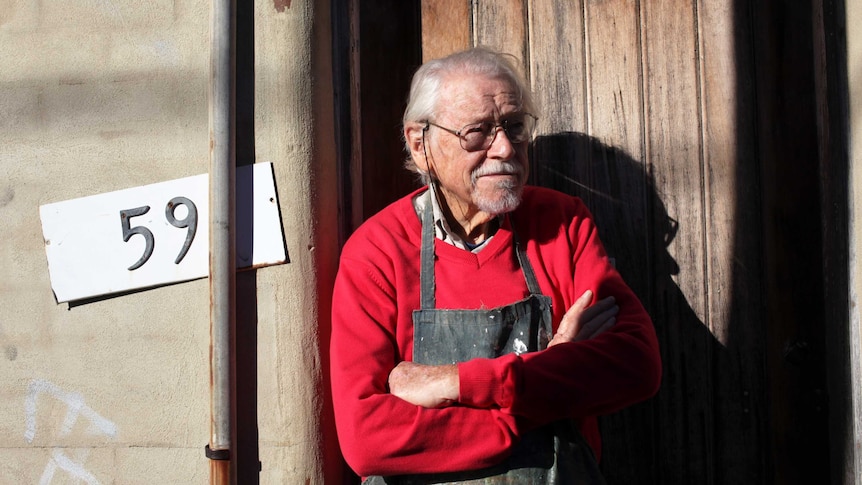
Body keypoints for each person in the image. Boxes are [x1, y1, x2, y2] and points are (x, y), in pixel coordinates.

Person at [330, 47, 661, 483]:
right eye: (477, 132)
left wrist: (456, 383)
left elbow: (635, 363)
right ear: (420, 143)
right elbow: (367, 439)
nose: (505, 147)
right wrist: (539, 398)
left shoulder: (562, 223)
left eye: (514, 126)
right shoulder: (377, 252)